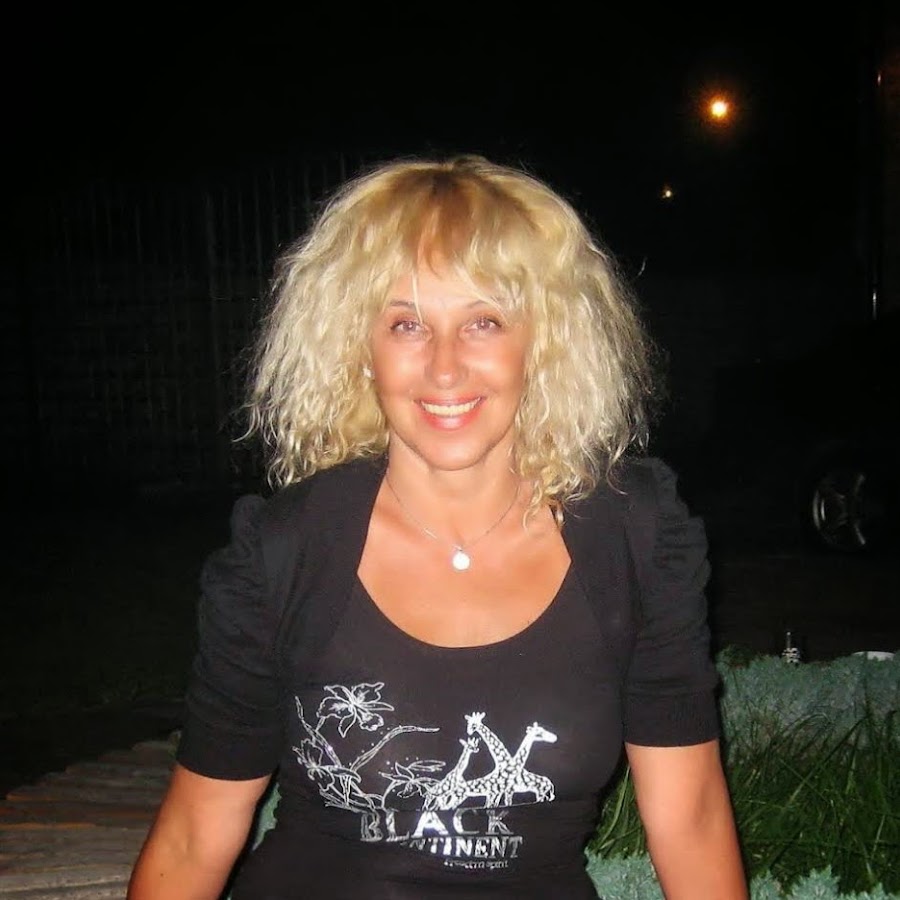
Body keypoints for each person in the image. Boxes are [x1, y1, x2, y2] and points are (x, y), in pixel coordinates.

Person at [128, 155, 748, 899]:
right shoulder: (285, 550)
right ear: (360, 349)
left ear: (544, 341)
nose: (445, 368)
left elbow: (691, 818)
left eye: (484, 321)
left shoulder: (635, 538)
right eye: (407, 324)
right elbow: (195, 837)